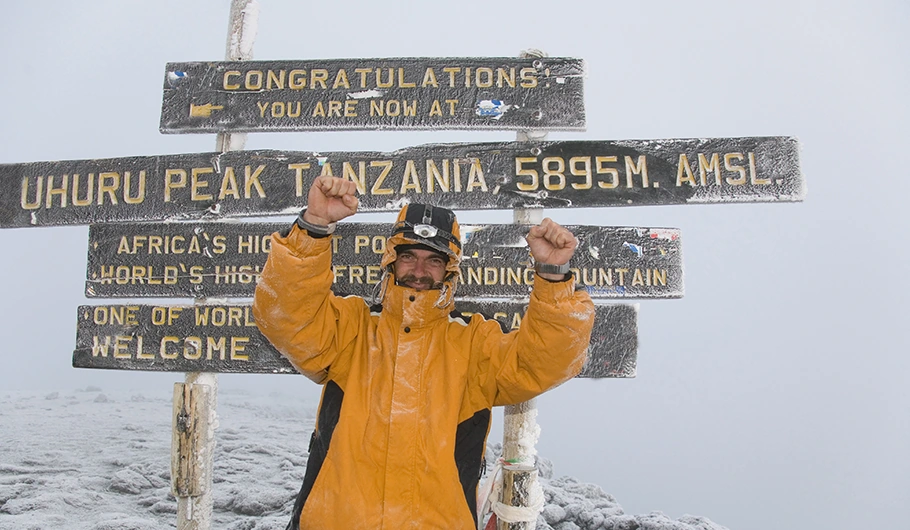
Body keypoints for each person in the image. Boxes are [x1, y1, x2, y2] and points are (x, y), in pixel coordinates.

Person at [252, 175, 595, 530]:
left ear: (449, 269)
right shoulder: (351, 330)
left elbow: (546, 362)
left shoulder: (474, 344)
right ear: (391, 261)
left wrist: (554, 275)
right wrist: (313, 227)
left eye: (433, 260)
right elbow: (285, 316)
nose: (419, 270)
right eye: (409, 256)